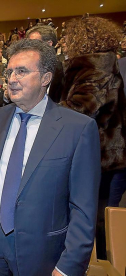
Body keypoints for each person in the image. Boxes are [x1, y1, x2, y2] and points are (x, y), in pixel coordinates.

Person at [0, 38, 101, 276]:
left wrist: (68, 266)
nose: (11, 79)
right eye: (9, 71)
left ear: (45, 78)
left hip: (42, 251)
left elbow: (83, 208)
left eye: (21, 71)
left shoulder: (78, 128)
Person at [60, 14, 126, 259]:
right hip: (105, 156)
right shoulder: (101, 64)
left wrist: (44, 111)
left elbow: (81, 108)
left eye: (69, 38)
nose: (65, 42)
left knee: (100, 222)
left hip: (103, 158)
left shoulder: (96, 67)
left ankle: (103, 266)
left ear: (82, 40)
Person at [27, 25, 64, 103]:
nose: (30, 47)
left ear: (49, 44)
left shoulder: (63, 70)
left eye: (34, 43)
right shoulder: (28, 68)